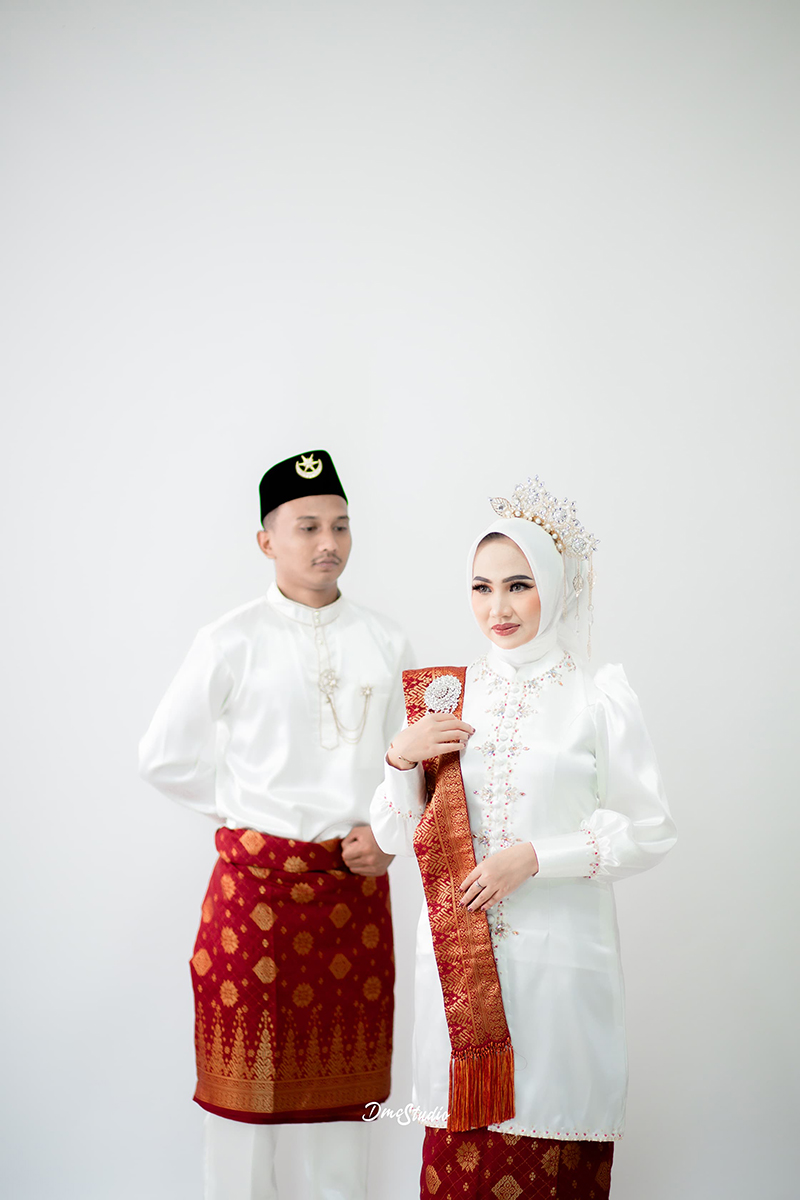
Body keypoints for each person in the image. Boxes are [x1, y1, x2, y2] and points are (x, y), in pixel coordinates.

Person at [370, 475, 677, 1200]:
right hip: (460, 983)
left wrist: (536, 858)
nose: (497, 608)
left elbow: (649, 828)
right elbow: (396, 834)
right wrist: (399, 759)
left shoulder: (597, 696)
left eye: (519, 585)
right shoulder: (446, 695)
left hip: (560, 976)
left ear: (557, 587)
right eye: (481, 588)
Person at [139, 449, 413, 1200]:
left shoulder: (386, 641)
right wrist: (245, 810)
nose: (329, 542)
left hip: (350, 893)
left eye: (341, 525)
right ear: (267, 540)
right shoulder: (230, 639)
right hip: (253, 899)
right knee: (242, 1115)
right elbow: (162, 756)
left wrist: (388, 833)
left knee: (341, 1115)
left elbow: (410, 764)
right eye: (307, 527)